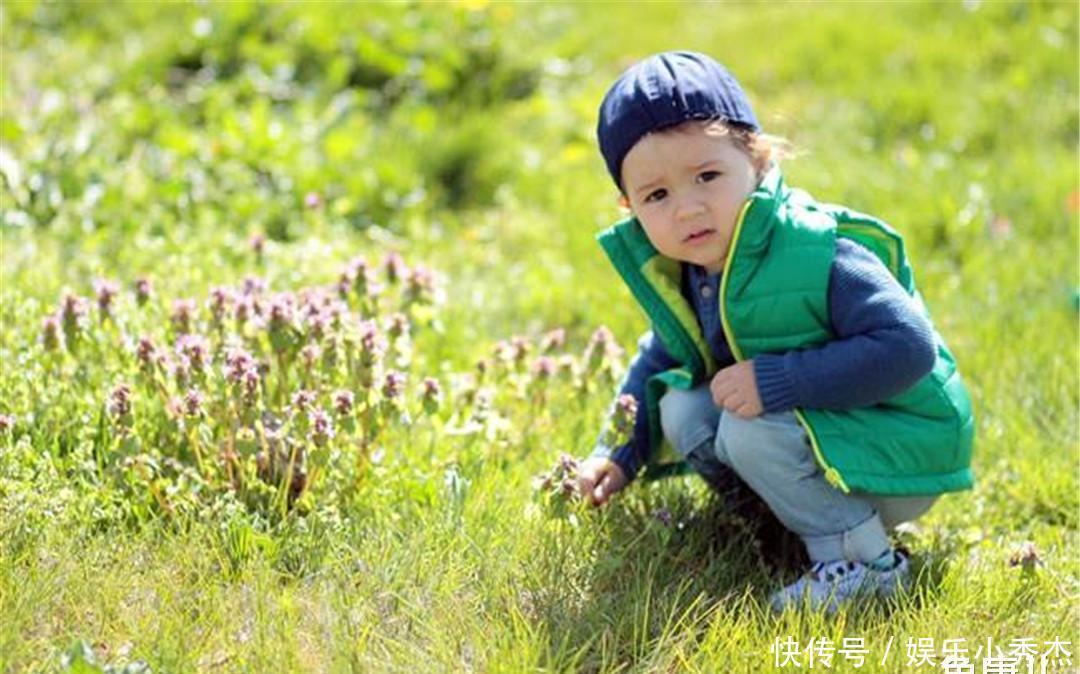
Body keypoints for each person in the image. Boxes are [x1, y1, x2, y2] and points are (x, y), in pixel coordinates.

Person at [575, 51, 974, 613]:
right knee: (681, 406)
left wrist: (779, 380)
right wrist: (615, 454)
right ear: (629, 206)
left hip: (899, 446)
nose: (687, 209)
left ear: (757, 160)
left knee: (750, 429)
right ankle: (781, 529)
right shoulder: (694, 271)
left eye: (707, 176)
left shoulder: (816, 251)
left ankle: (866, 564)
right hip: (826, 441)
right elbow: (658, 360)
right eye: (657, 195)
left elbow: (908, 347)